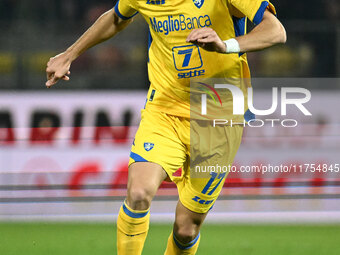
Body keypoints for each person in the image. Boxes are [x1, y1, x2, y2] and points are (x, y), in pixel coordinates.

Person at [46, 0, 286, 254]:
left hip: (219, 117)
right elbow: (116, 17)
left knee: (186, 228)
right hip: (165, 108)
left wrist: (226, 45)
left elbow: (276, 31)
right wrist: (69, 54)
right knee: (138, 193)